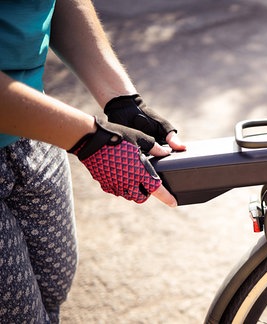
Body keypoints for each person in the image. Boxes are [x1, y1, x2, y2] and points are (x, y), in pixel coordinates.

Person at [0, 0, 186, 322]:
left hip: (38, 132)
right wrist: (90, 139)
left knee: (52, 292)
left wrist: (123, 101)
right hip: (49, 126)